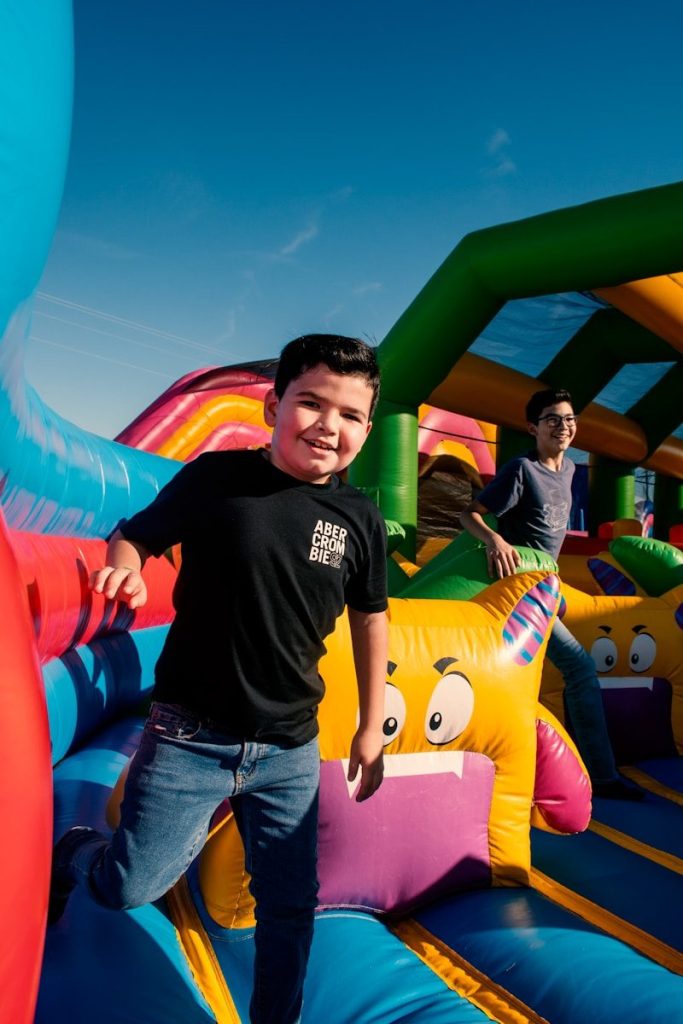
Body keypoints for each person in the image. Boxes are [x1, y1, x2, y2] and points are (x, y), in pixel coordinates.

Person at [49, 334, 389, 1024]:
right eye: (311, 403)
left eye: (350, 415)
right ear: (273, 406)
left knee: (291, 909)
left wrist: (369, 725)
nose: (329, 426)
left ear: (366, 430)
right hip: (190, 737)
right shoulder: (217, 480)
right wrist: (126, 564)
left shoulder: (358, 518)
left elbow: (369, 619)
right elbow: (136, 533)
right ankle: (80, 852)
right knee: (128, 888)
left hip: (289, 747)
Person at [460, 387, 642, 801]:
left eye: (569, 419)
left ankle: (563, 770)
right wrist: (495, 541)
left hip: (549, 587)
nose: (563, 427)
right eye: (553, 420)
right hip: (521, 591)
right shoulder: (521, 470)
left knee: (549, 675)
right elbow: (468, 513)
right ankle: (603, 776)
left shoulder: (571, 471)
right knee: (579, 669)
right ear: (533, 427)